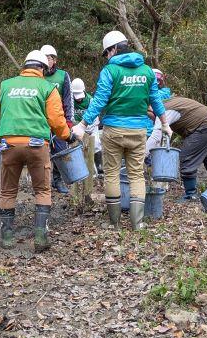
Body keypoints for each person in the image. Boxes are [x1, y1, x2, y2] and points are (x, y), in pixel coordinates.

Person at [70, 31, 171, 231]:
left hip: (114, 130)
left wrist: (82, 125)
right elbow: (156, 100)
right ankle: (137, 222)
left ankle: (114, 223)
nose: (107, 57)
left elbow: (99, 101)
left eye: (106, 53)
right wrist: (165, 123)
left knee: (112, 174)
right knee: (136, 175)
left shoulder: (110, 71)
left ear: (114, 49)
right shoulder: (147, 71)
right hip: (138, 131)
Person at [0, 50, 72, 251]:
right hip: (36, 145)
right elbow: (57, 122)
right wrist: (68, 136)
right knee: (42, 190)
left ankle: (7, 237)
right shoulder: (48, 87)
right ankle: (41, 237)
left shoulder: (6, 85)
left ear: (24, 66)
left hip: (9, 145)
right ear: (42, 68)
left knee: (8, 190)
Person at [148, 93, 207, 202]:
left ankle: (191, 195)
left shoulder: (164, 112)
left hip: (205, 125)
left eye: (148, 115)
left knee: (186, 158)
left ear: (150, 108)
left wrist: (143, 155)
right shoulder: (165, 103)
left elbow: (156, 137)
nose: (149, 119)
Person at [40, 44, 75, 194]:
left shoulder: (62, 75)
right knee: (39, 152)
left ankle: (58, 180)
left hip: (58, 119)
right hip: (40, 120)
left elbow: (69, 98)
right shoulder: (37, 76)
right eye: (45, 58)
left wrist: (69, 120)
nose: (47, 61)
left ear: (54, 60)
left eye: (50, 58)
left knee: (60, 151)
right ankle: (41, 182)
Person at [69, 78, 96, 211]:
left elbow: (95, 119)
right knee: (74, 160)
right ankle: (74, 195)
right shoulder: (70, 100)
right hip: (74, 133)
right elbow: (68, 116)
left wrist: (86, 130)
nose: (78, 99)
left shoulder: (90, 100)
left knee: (89, 160)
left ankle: (88, 193)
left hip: (88, 132)